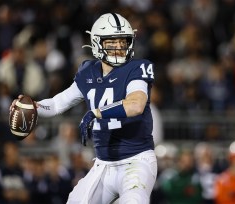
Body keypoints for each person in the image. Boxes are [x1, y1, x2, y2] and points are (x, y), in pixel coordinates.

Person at [10, 13, 157, 204]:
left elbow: (136, 104)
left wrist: (97, 112)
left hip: (137, 161)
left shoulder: (137, 68)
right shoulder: (88, 72)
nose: (119, 47)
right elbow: (57, 103)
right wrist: (34, 106)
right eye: (112, 42)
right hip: (103, 164)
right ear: (97, 43)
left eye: (123, 41)